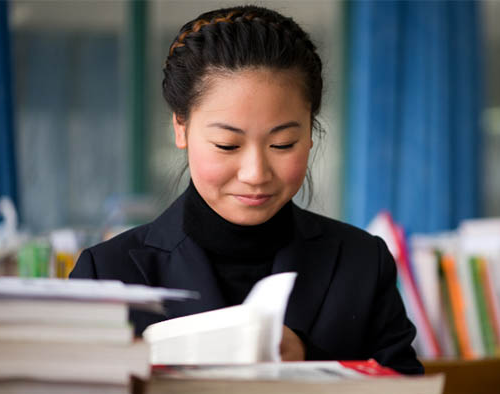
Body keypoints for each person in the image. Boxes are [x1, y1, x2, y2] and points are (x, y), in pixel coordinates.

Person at [70, 5, 422, 375]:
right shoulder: (107, 275)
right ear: (181, 127)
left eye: (283, 144)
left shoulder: (362, 262)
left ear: (311, 131)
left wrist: (308, 358)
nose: (255, 173)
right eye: (227, 145)